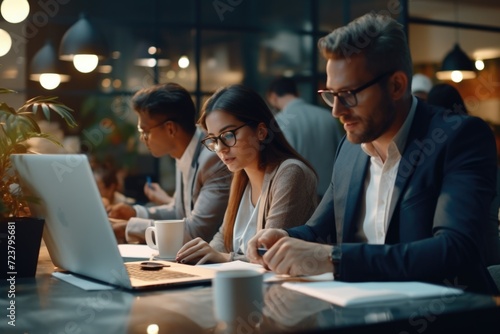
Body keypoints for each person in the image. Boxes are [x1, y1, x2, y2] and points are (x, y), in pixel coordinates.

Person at [247, 12, 499, 294]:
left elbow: (455, 249)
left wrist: (335, 259)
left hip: (450, 316)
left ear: (396, 85)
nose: (336, 110)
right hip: (359, 312)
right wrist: (283, 237)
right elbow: (320, 230)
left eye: (349, 95)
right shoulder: (350, 148)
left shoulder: (460, 137)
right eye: (331, 94)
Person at [175, 84, 318, 264]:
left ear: (261, 131)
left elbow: (270, 255)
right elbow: (222, 238)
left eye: (227, 135)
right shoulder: (241, 176)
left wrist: (224, 258)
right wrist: (203, 254)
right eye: (213, 139)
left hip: (283, 288)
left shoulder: (290, 173)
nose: (220, 149)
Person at [108, 83, 232, 244]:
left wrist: (128, 228)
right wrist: (134, 212)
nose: (142, 138)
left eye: (145, 131)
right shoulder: (185, 151)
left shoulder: (212, 159)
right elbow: (179, 212)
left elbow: (196, 231)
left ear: (170, 129)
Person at [266, 76, 344, 199]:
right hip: (331, 194)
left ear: (273, 97)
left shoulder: (279, 122)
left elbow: (283, 164)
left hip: (301, 196)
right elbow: (342, 155)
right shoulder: (327, 115)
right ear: (297, 93)